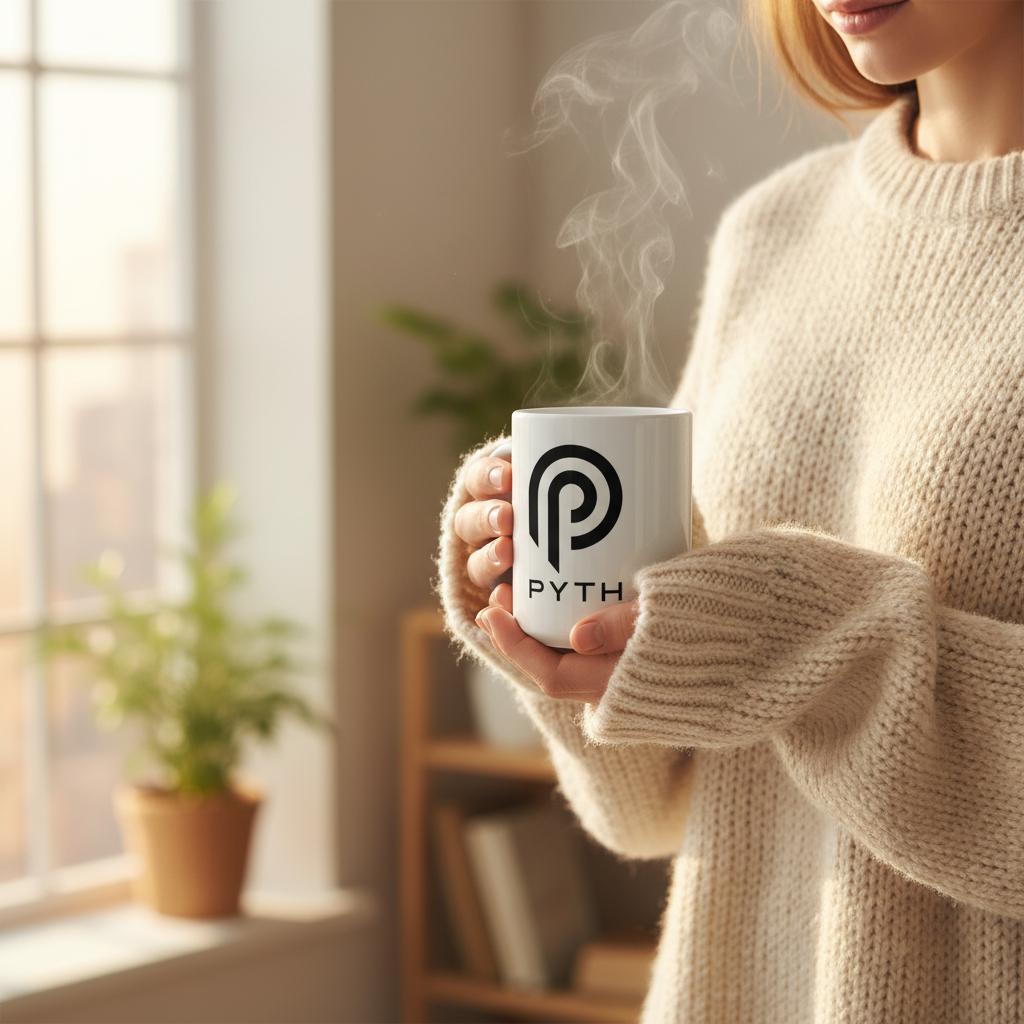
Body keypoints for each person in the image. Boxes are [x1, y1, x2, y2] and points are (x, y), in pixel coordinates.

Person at [434, 0, 1024, 1020]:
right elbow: (650, 805)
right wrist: (559, 612)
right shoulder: (774, 228)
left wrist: (804, 638)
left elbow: (772, 640)